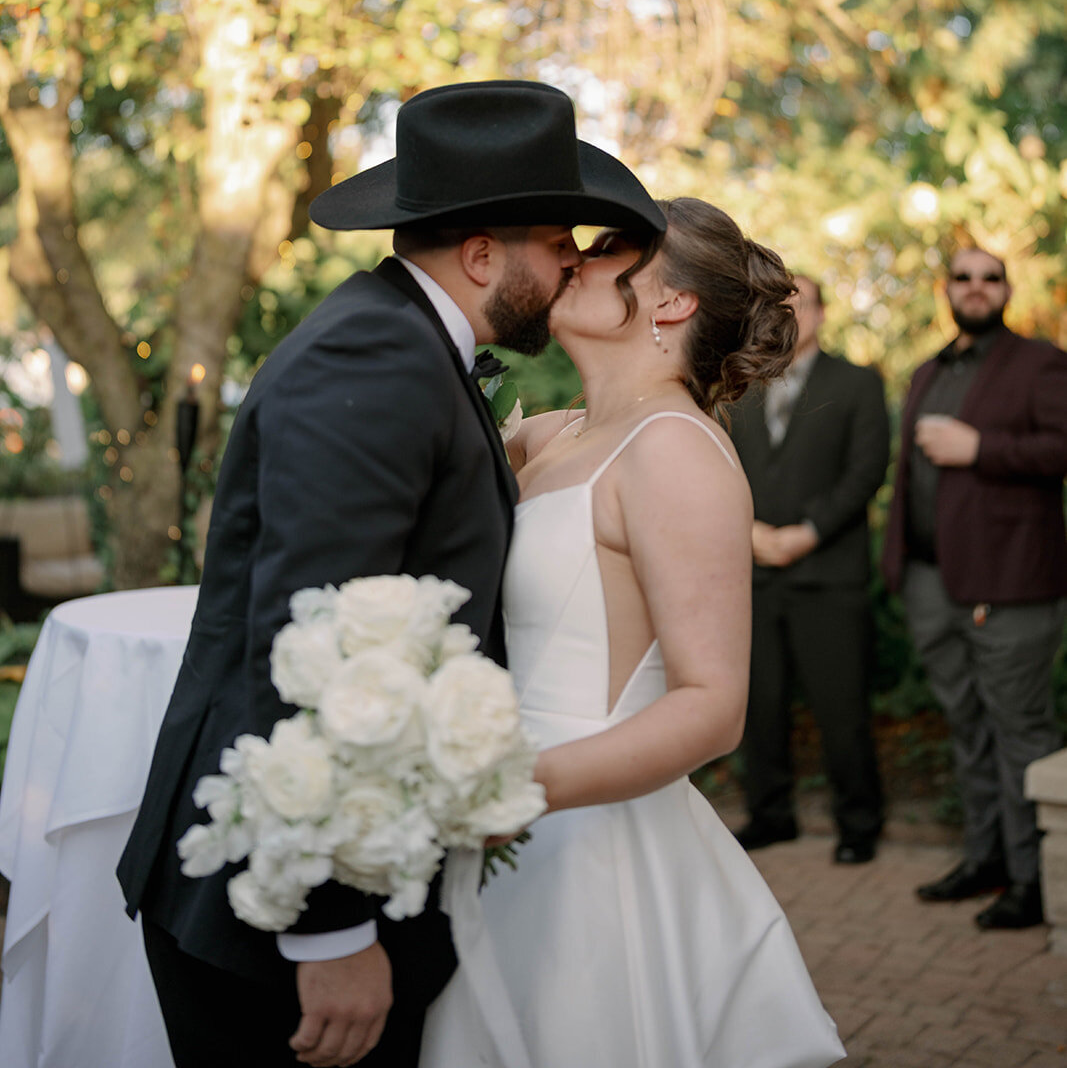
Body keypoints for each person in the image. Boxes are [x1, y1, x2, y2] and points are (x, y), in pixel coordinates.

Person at [117, 79, 667, 1068]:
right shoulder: (376, 356)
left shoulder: (403, 339)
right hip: (278, 926)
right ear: (482, 254)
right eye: (557, 242)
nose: (572, 264)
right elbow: (310, 638)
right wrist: (328, 930)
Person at [420, 199, 845, 1068]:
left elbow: (711, 707)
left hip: (582, 841)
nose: (574, 255)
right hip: (499, 824)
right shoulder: (552, 435)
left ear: (674, 302)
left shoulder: (673, 452)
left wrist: (519, 789)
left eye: (611, 247)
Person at [883, 245, 1067, 931]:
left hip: (1011, 585)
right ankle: (985, 858)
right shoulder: (928, 371)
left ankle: (1034, 883)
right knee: (966, 728)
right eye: (963, 277)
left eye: (989, 278)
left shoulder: (1038, 363)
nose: (976, 287)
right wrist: (897, 567)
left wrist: (980, 448)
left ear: (1006, 289)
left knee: (1019, 731)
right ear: (947, 290)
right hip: (932, 584)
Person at [730, 275, 890, 864]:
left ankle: (859, 824)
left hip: (827, 574)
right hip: (752, 571)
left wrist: (808, 533)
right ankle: (770, 816)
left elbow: (866, 470)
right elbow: (718, 463)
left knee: (841, 709)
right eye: (779, 306)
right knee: (760, 707)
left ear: (822, 315)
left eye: (801, 304)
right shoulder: (738, 385)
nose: (790, 316)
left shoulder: (857, 384)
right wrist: (745, 531)